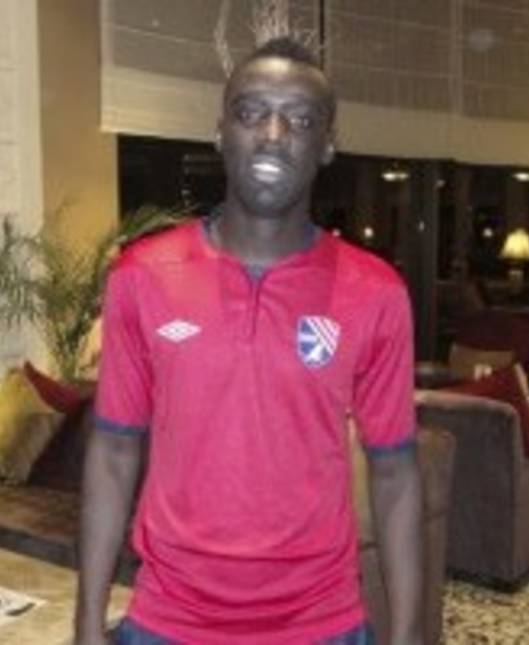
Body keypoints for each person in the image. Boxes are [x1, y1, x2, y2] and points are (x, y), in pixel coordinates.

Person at [75, 36, 423, 645]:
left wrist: (409, 635)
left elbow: (395, 473)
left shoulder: (375, 292)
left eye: (300, 119)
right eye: (250, 112)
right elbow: (113, 452)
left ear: (327, 145)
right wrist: (85, 626)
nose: (272, 133)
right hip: (168, 622)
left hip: (321, 623)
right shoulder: (142, 275)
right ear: (220, 133)